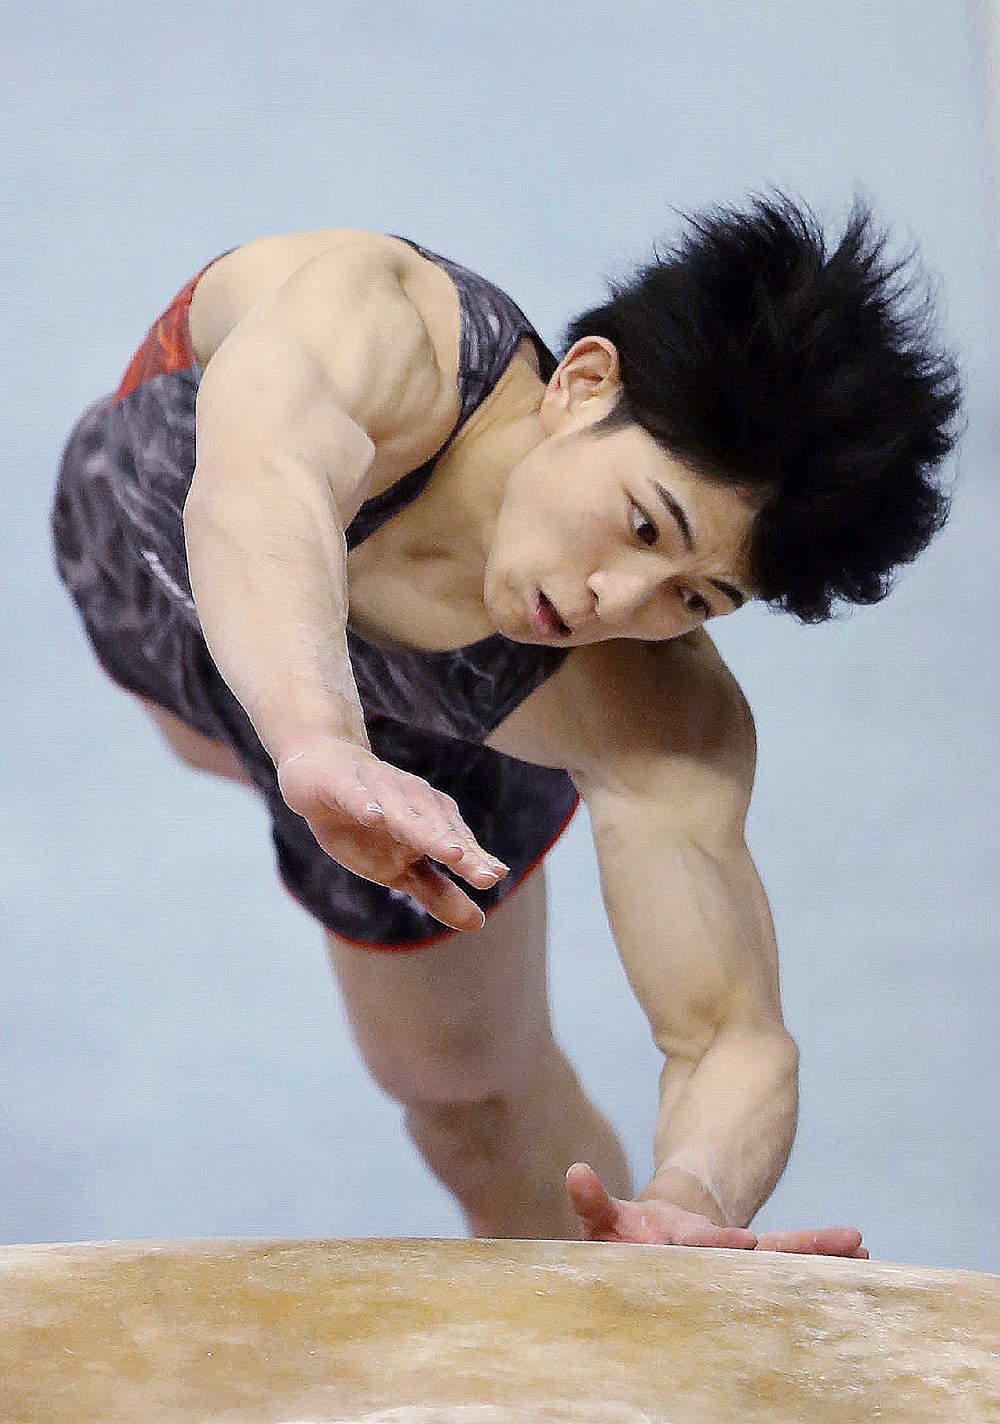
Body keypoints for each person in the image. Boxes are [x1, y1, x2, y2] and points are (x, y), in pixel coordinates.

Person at [51, 193, 961, 1251]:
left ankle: (611, 1355)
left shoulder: (652, 710)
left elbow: (732, 1039)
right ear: (581, 384)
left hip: (415, 759)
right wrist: (315, 738)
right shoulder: (386, 327)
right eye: (639, 523)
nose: (614, 604)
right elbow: (257, 488)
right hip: (157, 567)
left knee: (472, 1108)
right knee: (240, 647)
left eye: (695, 596)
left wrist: (690, 1198)